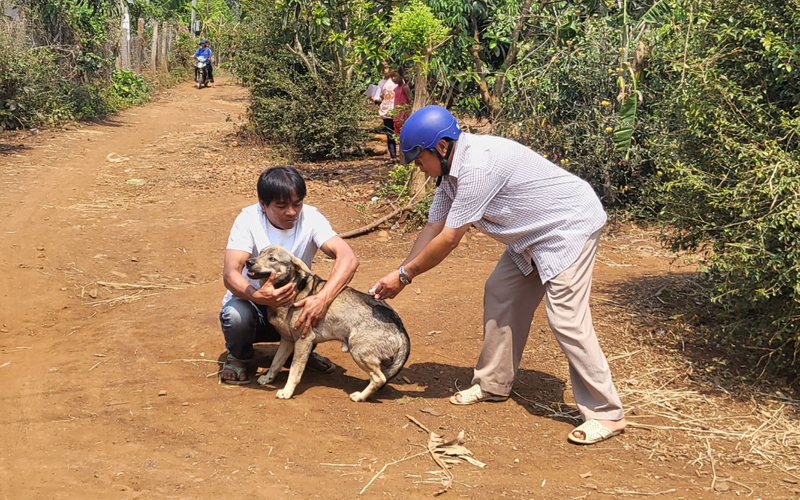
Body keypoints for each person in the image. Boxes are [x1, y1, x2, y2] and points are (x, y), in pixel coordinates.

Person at [371, 106, 627, 445]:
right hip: (530, 234)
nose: (418, 166)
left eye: (419, 159)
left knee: (567, 319)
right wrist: (399, 272)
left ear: (442, 148)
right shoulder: (447, 176)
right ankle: (493, 384)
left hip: (568, 226)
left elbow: (449, 239)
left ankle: (607, 414)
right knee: (500, 291)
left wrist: (404, 277)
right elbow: (433, 227)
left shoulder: (477, 166)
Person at [219, 166, 359, 384]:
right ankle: (238, 357)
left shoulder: (311, 218)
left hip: (293, 308)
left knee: (321, 301)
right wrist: (258, 296)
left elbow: (348, 258)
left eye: (297, 204)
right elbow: (230, 273)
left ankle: (301, 352)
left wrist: (322, 299)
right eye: (282, 206)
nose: (292, 212)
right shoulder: (248, 219)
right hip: (255, 308)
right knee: (236, 315)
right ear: (263, 205)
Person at [377, 69, 400, 164]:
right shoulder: (381, 83)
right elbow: (380, 97)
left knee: (401, 134)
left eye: (387, 67)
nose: (385, 70)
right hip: (386, 112)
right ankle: (393, 157)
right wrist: (374, 98)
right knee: (390, 135)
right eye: (382, 68)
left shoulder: (398, 81)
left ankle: (404, 156)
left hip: (398, 112)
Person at [392, 67, 413, 135]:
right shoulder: (395, 89)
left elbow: (410, 100)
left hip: (403, 116)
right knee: (398, 135)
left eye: (395, 76)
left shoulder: (405, 87)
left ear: (401, 76)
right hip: (397, 116)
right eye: (391, 77)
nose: (393, 78)